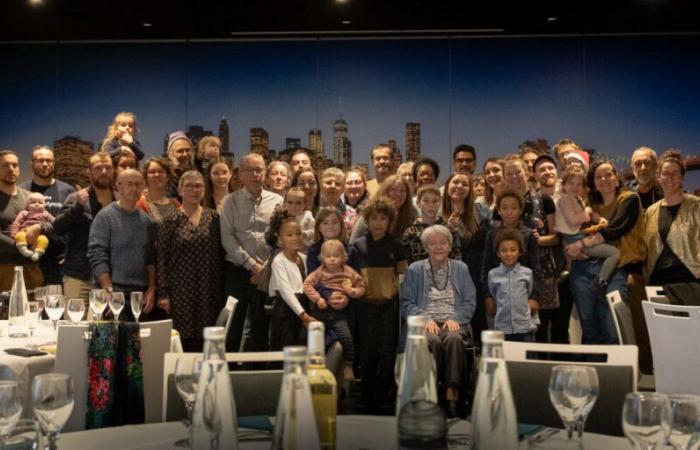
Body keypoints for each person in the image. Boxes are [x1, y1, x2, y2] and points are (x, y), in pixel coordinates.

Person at [401, 224, 476, 416]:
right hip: (427, 323)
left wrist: (456, 318)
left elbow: (469, 301)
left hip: (454, 322)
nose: (438, 247)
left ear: (450, 246)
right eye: (433, 244)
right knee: (431, 340)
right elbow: (407, 302)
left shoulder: (461, 268)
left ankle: (452, 389)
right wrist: (425, 319)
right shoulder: (416, 269)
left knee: (453, 339)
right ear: (425, 248)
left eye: (443, 242)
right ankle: (432, 388)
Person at [567, 159, 641, 347]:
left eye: (608, 174)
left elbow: (614, 229)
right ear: (593, 183)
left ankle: (615, 376)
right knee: (590, 330)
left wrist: (580, 244)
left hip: (614, 269)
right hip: (582, 269)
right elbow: (568, 229)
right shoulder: (587, 202)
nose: (604, 179)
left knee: (613, 328)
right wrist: (568, 248)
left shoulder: (629, 199)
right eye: (598, 176)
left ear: (617, 177)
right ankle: (592, 375)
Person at [220, 153, 282, 352]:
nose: (255, 174)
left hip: (267, 272)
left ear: (264, 173)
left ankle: (258, 374)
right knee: (233, 325)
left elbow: (282, 238)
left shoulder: (278, 201)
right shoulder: (230, 201)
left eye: (259, 170)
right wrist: (251, 264)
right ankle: (227, 374)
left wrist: (265, 266)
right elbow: (227, 238)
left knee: (261, 327)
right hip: (237, 271)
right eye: (249, 170)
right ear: (240, 175)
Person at [157, 171, 224, 352]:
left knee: (208, 340)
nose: (194, 190)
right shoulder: (169, 220)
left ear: (204, 190)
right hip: (181, 292)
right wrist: (163, 294)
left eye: (198, 186)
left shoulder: (213, 218)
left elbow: (220, 254)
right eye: (189, 185)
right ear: (180, 189)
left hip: (209, 290)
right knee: (183, 341)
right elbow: (161, 259)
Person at [352, 197, 407, 412]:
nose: (378, 222)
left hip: (388, 306)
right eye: (374, 218)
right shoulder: (358, 246)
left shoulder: (397, 245)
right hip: (365, 305)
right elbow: (352, 277)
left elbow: (402, 276)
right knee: (366, 352)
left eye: (383, 218)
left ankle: (384, 397)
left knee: (387, 352)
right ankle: (366, 396)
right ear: (367, 219)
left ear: (389, 221)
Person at [87, 169, 156, 321]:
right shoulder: (105, 217)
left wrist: (151, 288)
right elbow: (97, 255)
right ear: (118, 186)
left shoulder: (146, 221)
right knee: (110, 343)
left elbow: (151, 258)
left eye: (138, 185)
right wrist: (109, 290)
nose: (134, 189)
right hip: (112, 294)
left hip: (139, 297)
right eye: (129, 184)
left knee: (140, 343)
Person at [53, 151, 116, 302]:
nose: (104, 172)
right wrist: (77, 207)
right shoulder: (75, 198)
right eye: (98, 168)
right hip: (78, 275)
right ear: (89, 172)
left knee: (102, 325)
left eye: (108, 167)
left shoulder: (119, 201)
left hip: (109, 278)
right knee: (74, 323)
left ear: (114, 170)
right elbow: (58, 228)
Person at [303, 239, 365, 385]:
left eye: (336, 256)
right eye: (328, 256)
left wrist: (352, 292)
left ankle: (348, 366)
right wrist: (318, 299)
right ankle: (314, 369)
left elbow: (361, 286)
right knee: (317, 340)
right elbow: (307, 285)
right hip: (322, 311)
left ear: (343, 257)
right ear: (322, 258)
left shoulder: (349, 272)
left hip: (339, 315)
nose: (332, 259)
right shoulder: (320, 272)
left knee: (347, 338)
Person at [480, 191, 544, 326]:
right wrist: (487, 296)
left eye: (514, 208)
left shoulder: (528, 234)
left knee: (525, 332)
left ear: (520, 210)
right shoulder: (492, 235)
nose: (509, 212)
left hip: (523, 293)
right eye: (504, 208)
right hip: (499, 294)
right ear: (499, 211)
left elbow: (537, 268)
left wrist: (534, 297)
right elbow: (486, 267)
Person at [555, 167, 620, 290]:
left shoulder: (578, 199)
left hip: (581, 237)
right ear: (564, 185)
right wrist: (588, 211)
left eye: (579, 184)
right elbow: (575, 219)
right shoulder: (565, 200)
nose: (575, 187)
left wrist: (599, 219)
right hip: (575, 239)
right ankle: (600, 283)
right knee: (614, 253)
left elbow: (590, 214)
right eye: (571, 183)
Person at [19, 145, 75, 284]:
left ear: (54, 164)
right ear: (31, 163)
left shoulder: (67, 190)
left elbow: (75, 226)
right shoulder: (21, 191)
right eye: (40, 160)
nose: (45, 164)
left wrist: (71, 254)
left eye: (49, 161)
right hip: (30, 261)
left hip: (60, 262)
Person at [644, 149, 700, 285]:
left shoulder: (696, 205)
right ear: (658, 177)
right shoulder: (651, 211)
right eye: (665, 174)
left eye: (675, 174)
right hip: (656, 283)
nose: (670, 178)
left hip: (691, 281)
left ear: (682, 177)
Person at [267, 208, 316, 349]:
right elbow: (286, 292)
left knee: (302, 349)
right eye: (289, 235)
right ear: (280, 240)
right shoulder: (279, 261)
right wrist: (304, 316)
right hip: (286, 312)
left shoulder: (305, 259)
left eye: (299, 233)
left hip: (303, 308)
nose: (296, 237)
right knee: (286, 350)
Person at [0, 150, 42, 290]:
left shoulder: (30, 197)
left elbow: (42, 223)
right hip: (4, 269)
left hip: (32, 268)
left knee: (34, 309)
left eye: (14, 165)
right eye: (5, 165)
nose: (11, 169)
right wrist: (21, 246)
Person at [487, 229, 538, 342]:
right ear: (498, 253)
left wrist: (534, 322)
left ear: (520, 252)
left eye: (513, 250)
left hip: (525, 329)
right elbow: (493, 298)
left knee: (526, 359)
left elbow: (530, 297)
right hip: (502, 330)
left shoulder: (527, 273)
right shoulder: (493, 274)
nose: (508, 254)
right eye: (504, 250)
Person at [402, 184, 460, 265]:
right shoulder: (410, 232)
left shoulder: (448, 229)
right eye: (426, 201)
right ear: (418, 203)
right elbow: (406, 262)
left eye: (435, 201)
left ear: (440, 203)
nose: (431, 205)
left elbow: (457, 256)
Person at [349, 174, 416, 242]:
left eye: (402, 191)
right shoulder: (371, 212)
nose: (398, 194)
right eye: (394, 189)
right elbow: (354, 242)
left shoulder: (412, 214)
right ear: (386, 191)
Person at [11, 192, 54, 261]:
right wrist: (14, 234)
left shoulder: (46, 214)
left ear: (45, 205)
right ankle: (23, 249)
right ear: (27, 205)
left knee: (44, 239)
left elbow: (55, 222)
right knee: (19, 235)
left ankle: (38, 253)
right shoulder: (24, 213)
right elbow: (17, 223)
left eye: (40, 203)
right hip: (25, 232)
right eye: (33, 202)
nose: (36, 204)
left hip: (38, 235)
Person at [136, 157, 180, 224]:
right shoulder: (140, 204)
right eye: (152, 172)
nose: (157, 175)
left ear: (168, 177)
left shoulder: (176, 204)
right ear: (145, 177)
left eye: (161, 171)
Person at [319, 167, 357, 233]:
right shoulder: (312, 209)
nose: (333, 186)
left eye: (338, 184)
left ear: (343, 189)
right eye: (328, 182)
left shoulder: (351, 213)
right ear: (321, 186)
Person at [628, 146, 664, 211]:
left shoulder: (666, 192)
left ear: (656, 166)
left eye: (647, 162)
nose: (643, 168)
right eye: (638, 164)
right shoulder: (625, 193)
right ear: (633, 169)